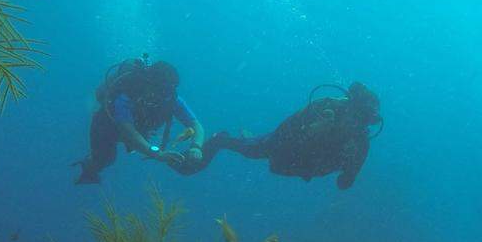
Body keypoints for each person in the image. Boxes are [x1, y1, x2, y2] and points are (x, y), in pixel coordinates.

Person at [189, 82, 381, 189]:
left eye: (363, 122)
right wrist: (314, 130)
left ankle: (248, 137)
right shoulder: (324, 109)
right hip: (281, 147)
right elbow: (285, 130)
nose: (357, 125)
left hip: (301, 167)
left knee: (256, 148)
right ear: (348, 108)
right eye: (355, 117)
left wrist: (350, 167)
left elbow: (344, 183)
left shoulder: (360, 142)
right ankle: (221, 139)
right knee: (251, 150)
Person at [74, 57, 205, 184]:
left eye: (168, 90)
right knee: (105, 160)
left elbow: (195, 124)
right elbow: (127, 130)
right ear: (150, 83)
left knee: (124, 150)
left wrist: (196, 147)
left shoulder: (171, 98)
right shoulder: (126, 95)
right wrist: (157, 153)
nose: (164, 95)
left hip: (137, 130)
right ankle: (88, 166)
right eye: (162, 90)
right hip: (107, 128)